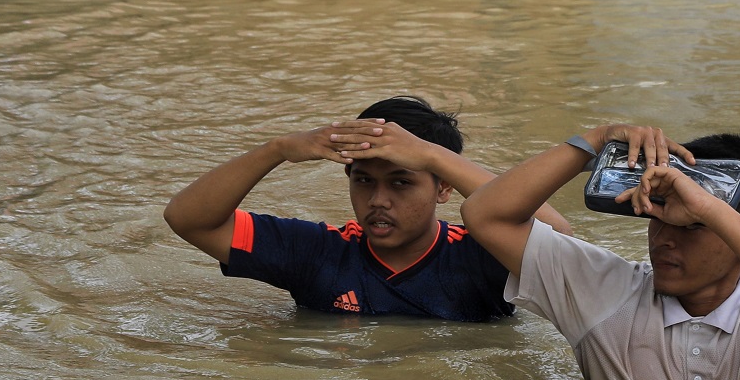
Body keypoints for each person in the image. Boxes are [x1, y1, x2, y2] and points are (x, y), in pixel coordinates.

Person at [460, 125, 740, 380]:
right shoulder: (606, 290)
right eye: (660, 215)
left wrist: (708, 207)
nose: (664, 239)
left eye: (693, 226)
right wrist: (594, 142)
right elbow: (485, 216)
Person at [162, 96, 571, 321]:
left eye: (401, 182)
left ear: (444, 188)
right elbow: (187, 219)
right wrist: (278, 150)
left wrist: (434, 156)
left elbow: (562, 244)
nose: (378, 200)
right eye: (363, 181)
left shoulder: (484, 254)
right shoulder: (317, 251)